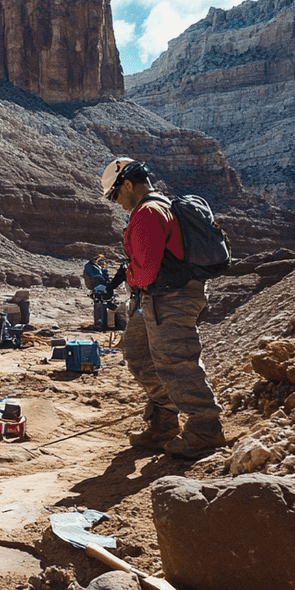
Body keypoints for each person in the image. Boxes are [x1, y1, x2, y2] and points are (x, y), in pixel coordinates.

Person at [100, 158, 226, 460]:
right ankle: (163, 424)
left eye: (116, 195)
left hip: (170, 301)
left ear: (128, 185)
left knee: (176, 362)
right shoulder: (159, 207)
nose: (117, 202)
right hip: (158, 300)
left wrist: (128, 277)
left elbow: (144, 273)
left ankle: (205, 430)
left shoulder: (147, 213)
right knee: (138, 353)